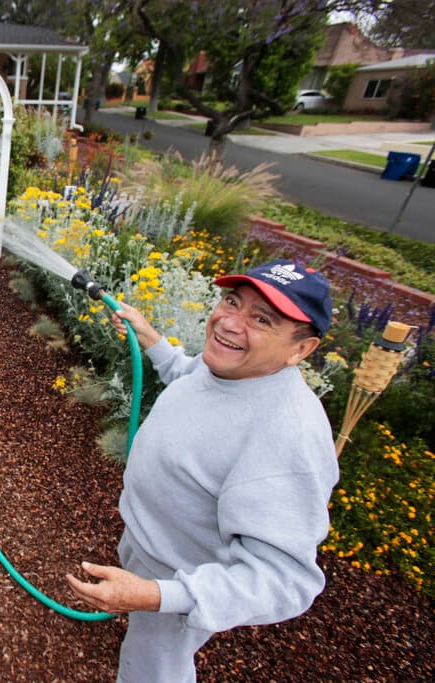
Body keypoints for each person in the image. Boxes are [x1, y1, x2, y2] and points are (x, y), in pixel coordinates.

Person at [65, 259, 340, 682]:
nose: (230, 322)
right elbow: (191, 376)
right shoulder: (234, 372)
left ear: (300, 350)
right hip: (150, 547)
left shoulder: (288, 438)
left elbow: (285, 579)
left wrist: (157, 595)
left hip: (180, 580)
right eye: (232, 301)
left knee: (154, 668)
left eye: (261, 319)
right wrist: (153, 341)